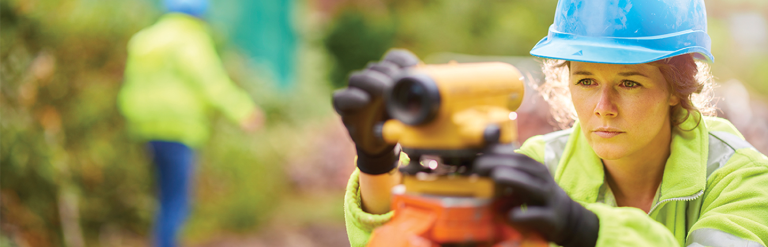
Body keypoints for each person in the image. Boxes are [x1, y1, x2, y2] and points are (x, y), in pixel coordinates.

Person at [333, 0, 768, 246]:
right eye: (585, 80)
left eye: (630, 83)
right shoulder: (540, 167)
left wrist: (586, 230)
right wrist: (377, 162)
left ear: (678, 87)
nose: (603, 106)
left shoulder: (742, 180)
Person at [117, 0, 263, 246]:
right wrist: (244, 112)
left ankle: (162, 240)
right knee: (176, 199)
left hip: (145, 128)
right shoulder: (190, 40)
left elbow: (129, 85)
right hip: (179, 129)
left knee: (163, 195)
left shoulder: (145, 40)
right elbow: (212, 83)